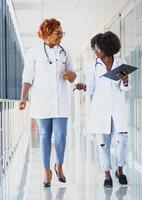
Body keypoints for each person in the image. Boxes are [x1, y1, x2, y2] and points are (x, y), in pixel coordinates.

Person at [18, 18, 76, 187]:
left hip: (61, 101)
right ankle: (46, 170)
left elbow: (73, 75)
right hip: (42, 102)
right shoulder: (34, 52)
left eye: (61, 33)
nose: (61, 36)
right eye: (58, 33)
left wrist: (69, 75)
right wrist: (23, 98)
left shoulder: (65, 52)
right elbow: (27, 77)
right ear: (47, 33)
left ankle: (58, 165)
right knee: (44, 136)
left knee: (60, 136)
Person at [75, 31, 130, 188]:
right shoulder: (92, 66)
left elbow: (124, 89)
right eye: (94, 48)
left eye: (98, 48)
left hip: (118, 110)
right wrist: (83, 86)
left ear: (107, 47)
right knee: (103, 144)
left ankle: (120, 170)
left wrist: (125, 81)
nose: (96, 51)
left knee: (122, 142)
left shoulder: (121, 63)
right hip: (100, 111)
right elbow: (91, 88)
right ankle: (107, 174)